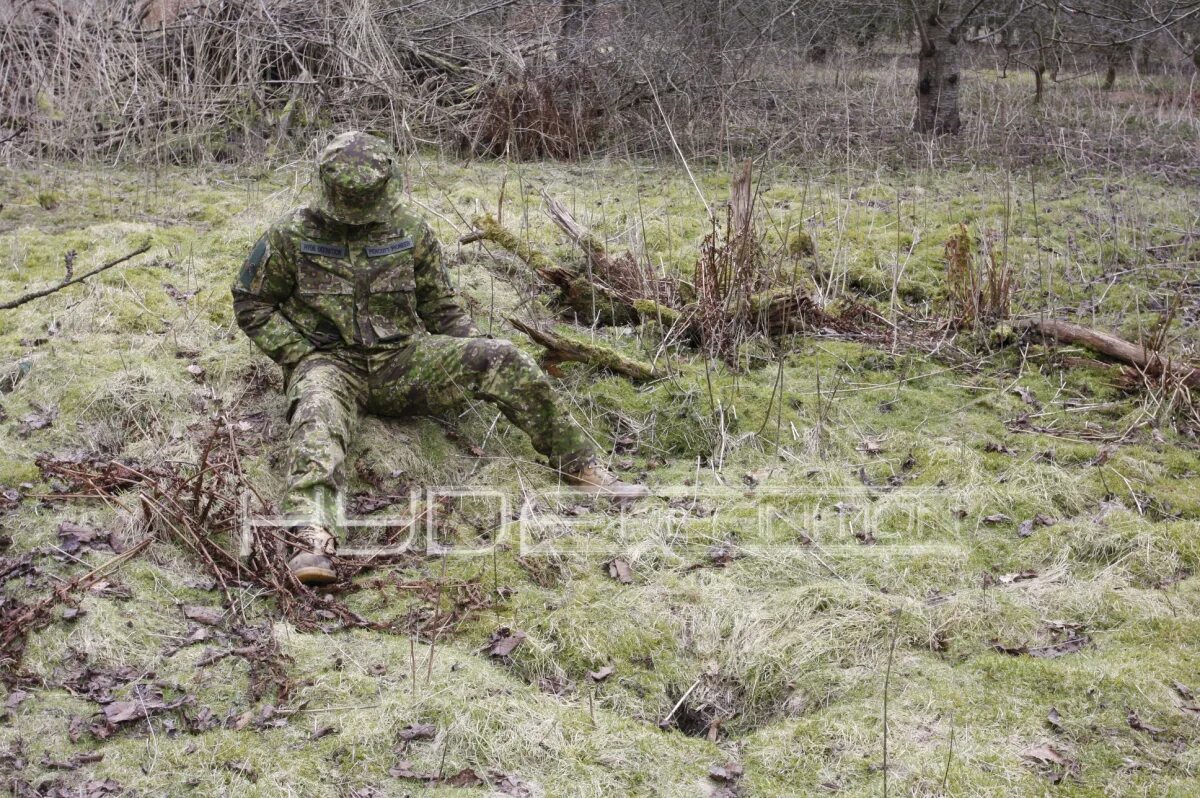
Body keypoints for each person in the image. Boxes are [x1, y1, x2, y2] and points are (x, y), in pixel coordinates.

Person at [232, 131, 646, 585]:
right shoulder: (290, 233)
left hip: (403, 359)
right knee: (316, 414)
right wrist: (301, 355)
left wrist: (470, 357)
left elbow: (441, 307)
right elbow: (251, 302)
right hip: (330, 366)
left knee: (503, 356)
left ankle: (581, 466)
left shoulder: (410, 230)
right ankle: (312, 539)